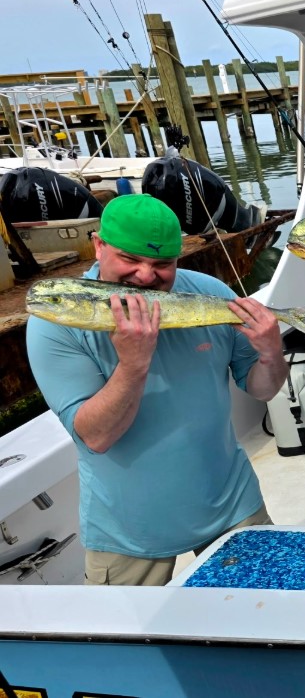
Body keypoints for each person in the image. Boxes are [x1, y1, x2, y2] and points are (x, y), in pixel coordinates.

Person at [26, 193, 285, 586]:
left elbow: (262, 389)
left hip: (233, 506)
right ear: (98, 245)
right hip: (128, 530)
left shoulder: (211, 293)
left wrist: (271, 352)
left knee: (265, 613)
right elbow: (96, 437)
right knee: (124, 629)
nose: (146, 276)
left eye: (162, 264)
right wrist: (133, 363)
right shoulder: (57, 321)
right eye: (130, 259)